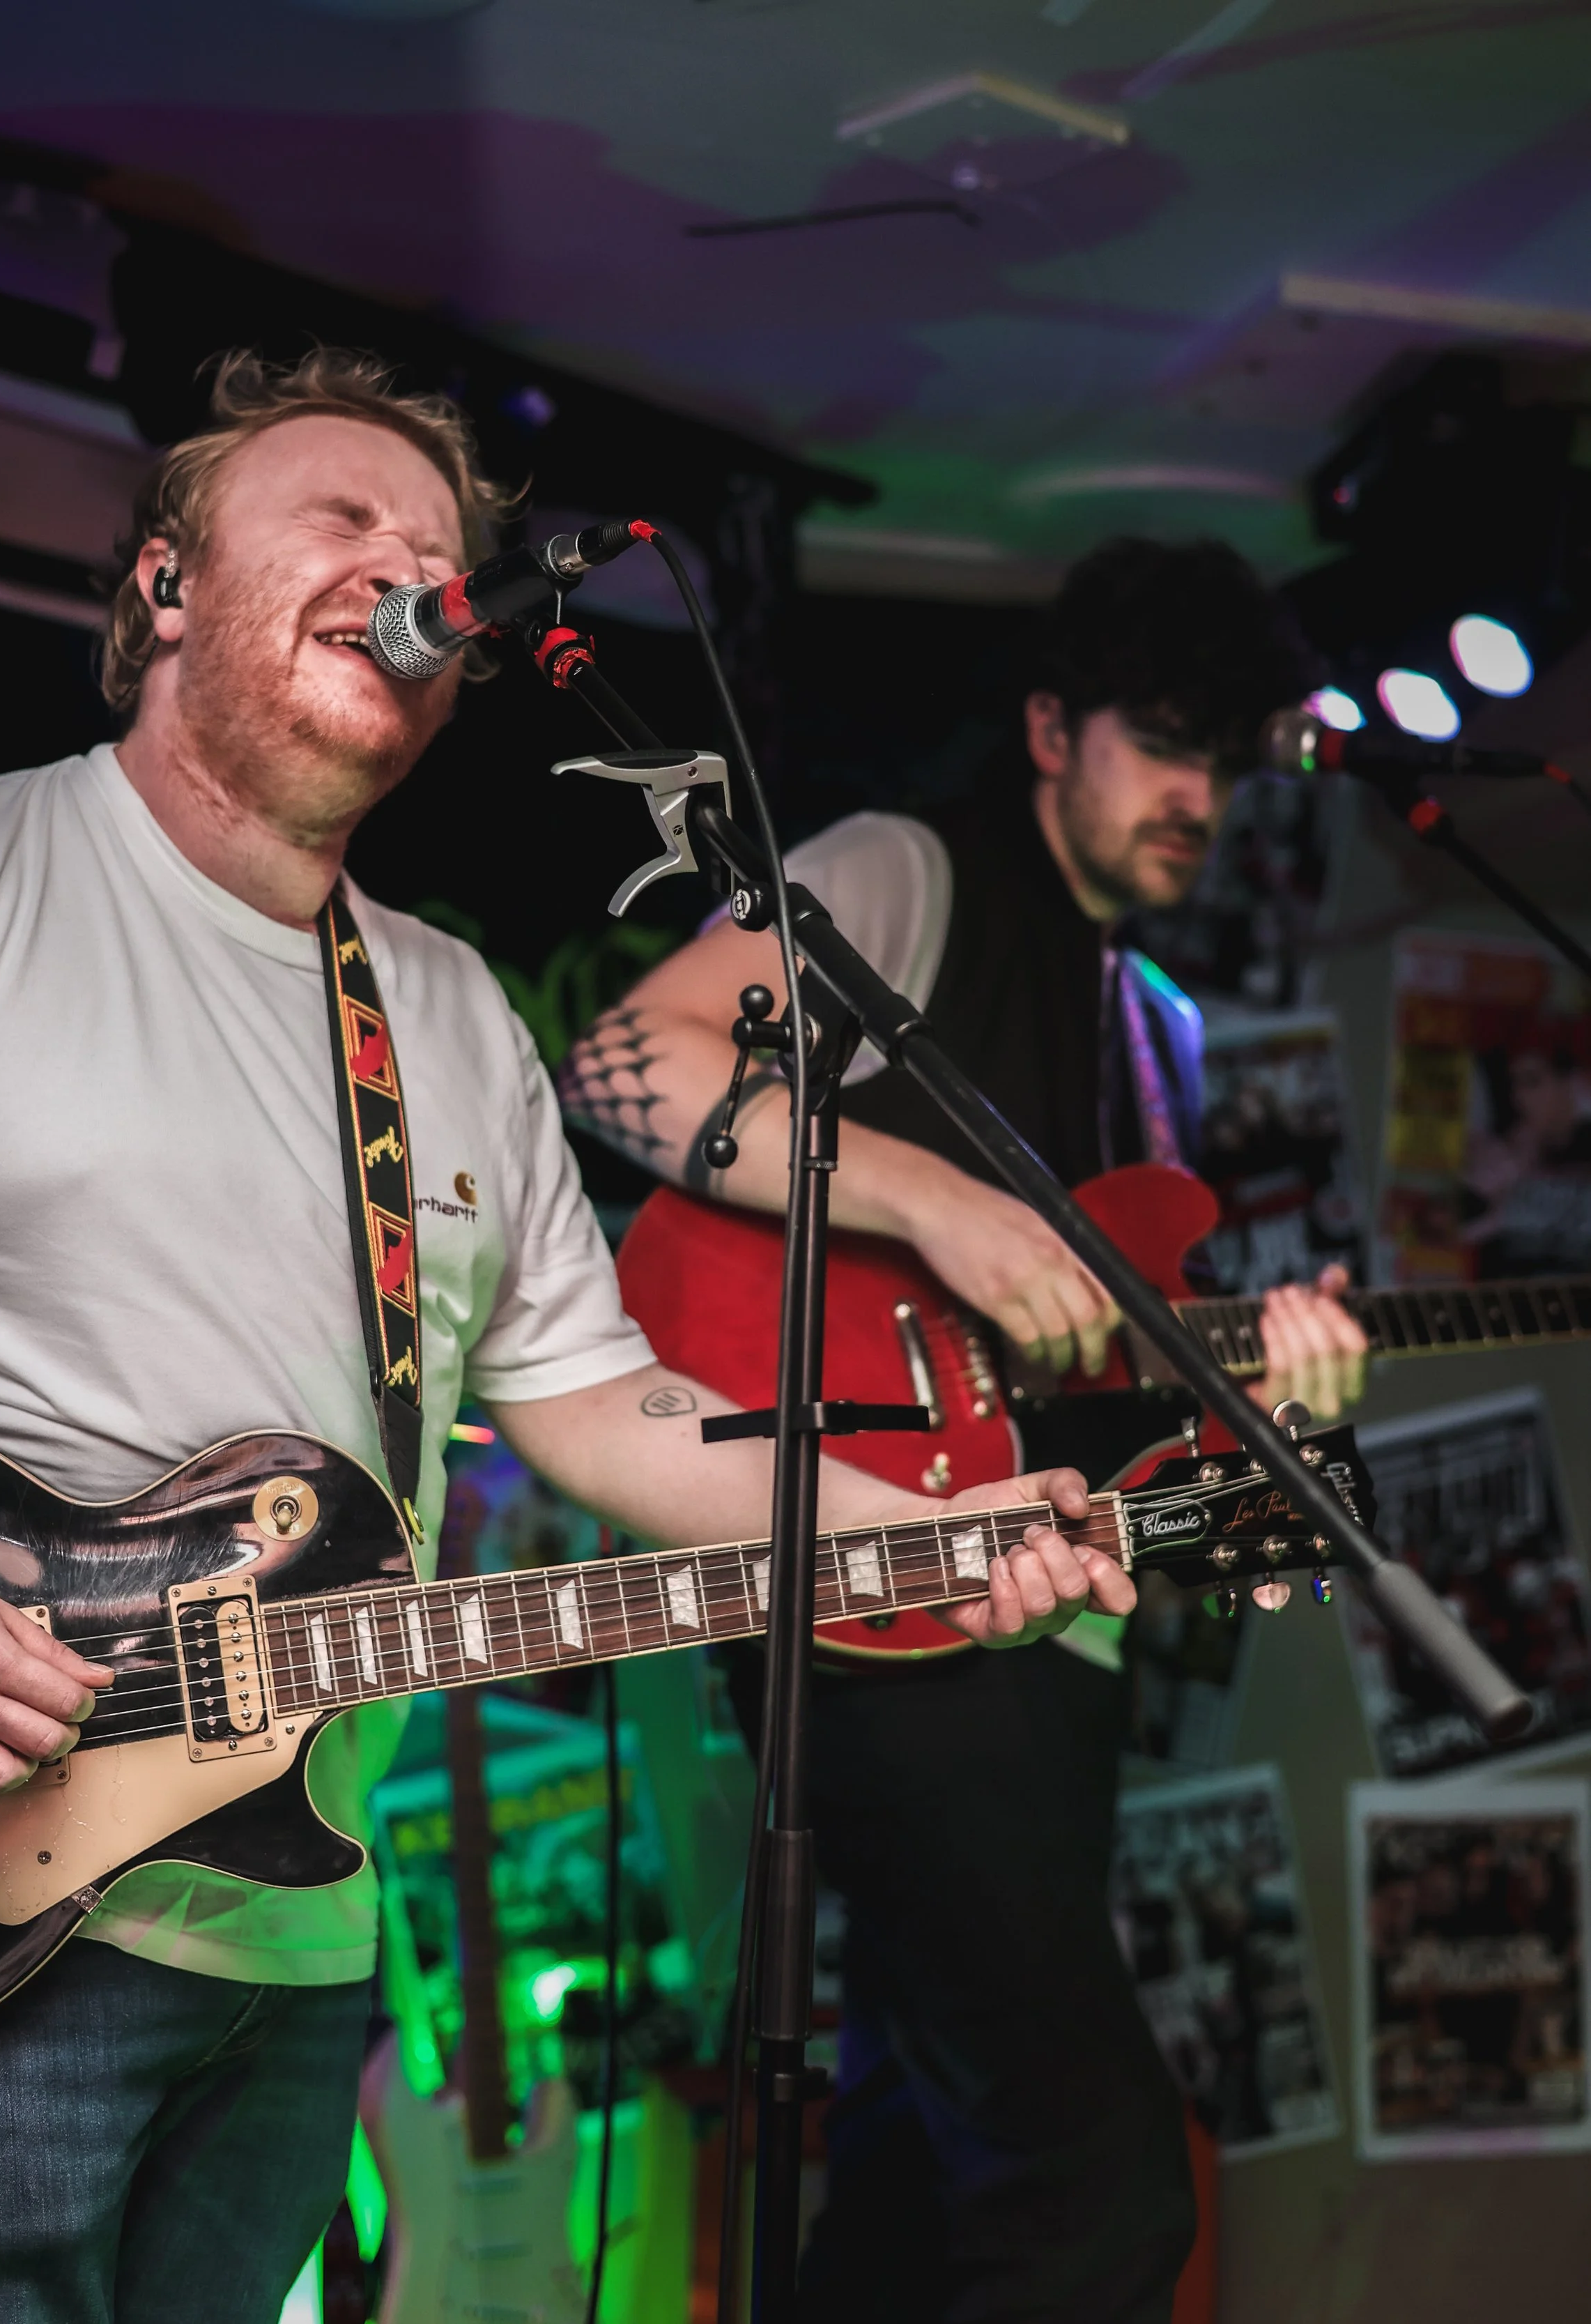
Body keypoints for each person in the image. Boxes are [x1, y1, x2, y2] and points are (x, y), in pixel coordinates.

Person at [0, 351, 1130, 2324]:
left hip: (295, 1930)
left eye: (433, 548)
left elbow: (608, 1408)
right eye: (341, 519)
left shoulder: (443, 1012)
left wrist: (932, 1535)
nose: (405, 568)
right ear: (168, 582)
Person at [559, 537, 1370, 2323]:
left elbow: (1088, 1385)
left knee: (916, 2178)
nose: (1196, 795)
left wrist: (1265, 1399)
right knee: (1095, 2193)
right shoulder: (903, 870)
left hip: (1045, 1622)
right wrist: (940, 1203)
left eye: (1223, 758)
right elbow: (622, 1064)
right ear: (1049, 728)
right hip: (870, 1561)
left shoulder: (1154, 1027)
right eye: (1162, 741)